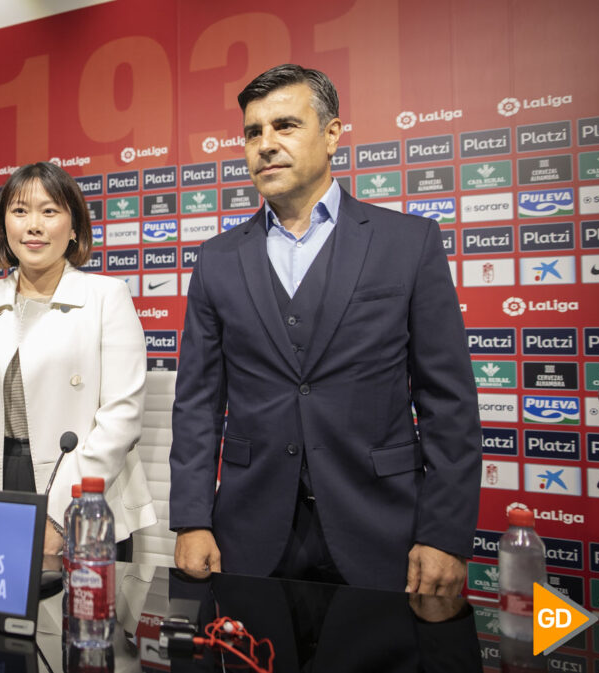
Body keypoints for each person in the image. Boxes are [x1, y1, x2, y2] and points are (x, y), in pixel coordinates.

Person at [169, 64, 480, 594]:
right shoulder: (217, 259)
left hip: (383, 532)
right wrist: (193, 519)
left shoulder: (408, 244)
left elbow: (447, 402)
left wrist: (445, 534)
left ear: (333, 134)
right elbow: (197, 402)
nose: (266, 144)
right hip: (248, 534)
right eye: (253, 132)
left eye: (285, 125)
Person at [0, 162, 156, 556]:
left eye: (49, 211)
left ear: (74, 228)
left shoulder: (107, 297)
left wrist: (61, 515)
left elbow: (121, 416)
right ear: (4, 226)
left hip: (86, 493)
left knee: (82, 614)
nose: (33, 225)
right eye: (20, 211)